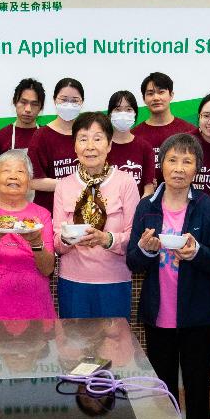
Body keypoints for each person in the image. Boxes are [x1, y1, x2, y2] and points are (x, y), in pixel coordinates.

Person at [128, 134, 210, 419]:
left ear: (197, 168)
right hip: (159, 314)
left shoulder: (207, 207)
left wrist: (196, 252)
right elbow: (133, 261)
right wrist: (147, 249)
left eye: (187, 161)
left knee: (198, 384)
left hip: (199, 314)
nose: (179, 168)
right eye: (172, 160)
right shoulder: (147, 206)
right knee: (164, 385)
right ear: (161, 165)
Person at [53, 112, 140, 319]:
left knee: (115, 340)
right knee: (73, 340)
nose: (90, 146)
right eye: (83, 139)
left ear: (109, 145)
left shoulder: (126, 182)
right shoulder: (63, 185)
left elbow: (134, 237)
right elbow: (56, 242)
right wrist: (67, 239)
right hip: (72, 282)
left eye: (98, 139)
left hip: (114, 281)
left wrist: (106, 239)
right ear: (74, 146)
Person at [0, 150, 56, 321]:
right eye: (6, 170)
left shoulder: (41, 215)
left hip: (34, 307)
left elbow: (47, 269)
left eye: (20, 171)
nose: (13, 176)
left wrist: (36, 242)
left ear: (29, 180)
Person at [0, 78, 46, 199]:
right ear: (15, 102)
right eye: (23, 102)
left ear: (41, 108)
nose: (28, 109)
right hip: (8, 203)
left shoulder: (47, 137)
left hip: (41, 204)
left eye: (34, 104)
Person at [29, 77, 86, 211]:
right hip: (50, 211)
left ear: (82, 102)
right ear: (55, 100)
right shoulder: (41, 136)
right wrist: (71, 184)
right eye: (64, 99)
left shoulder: (88, 134)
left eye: (75, 100)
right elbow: (33, 181)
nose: (69, 104)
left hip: (84, 210)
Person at [105, 89, 157, 194]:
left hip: (139, 204)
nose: (123, 114)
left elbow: (149, 189)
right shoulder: (102, 146)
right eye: (118, 109)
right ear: (110, 114)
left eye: (128, 109)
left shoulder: (145, 147)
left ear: (135, 114)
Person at [132, 71, 197, 151]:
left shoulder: (189, 131)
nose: (156, 98)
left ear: (171, 95)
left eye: (161, 92)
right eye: (150, 93)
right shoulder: (134, 136)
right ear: (143, 99)